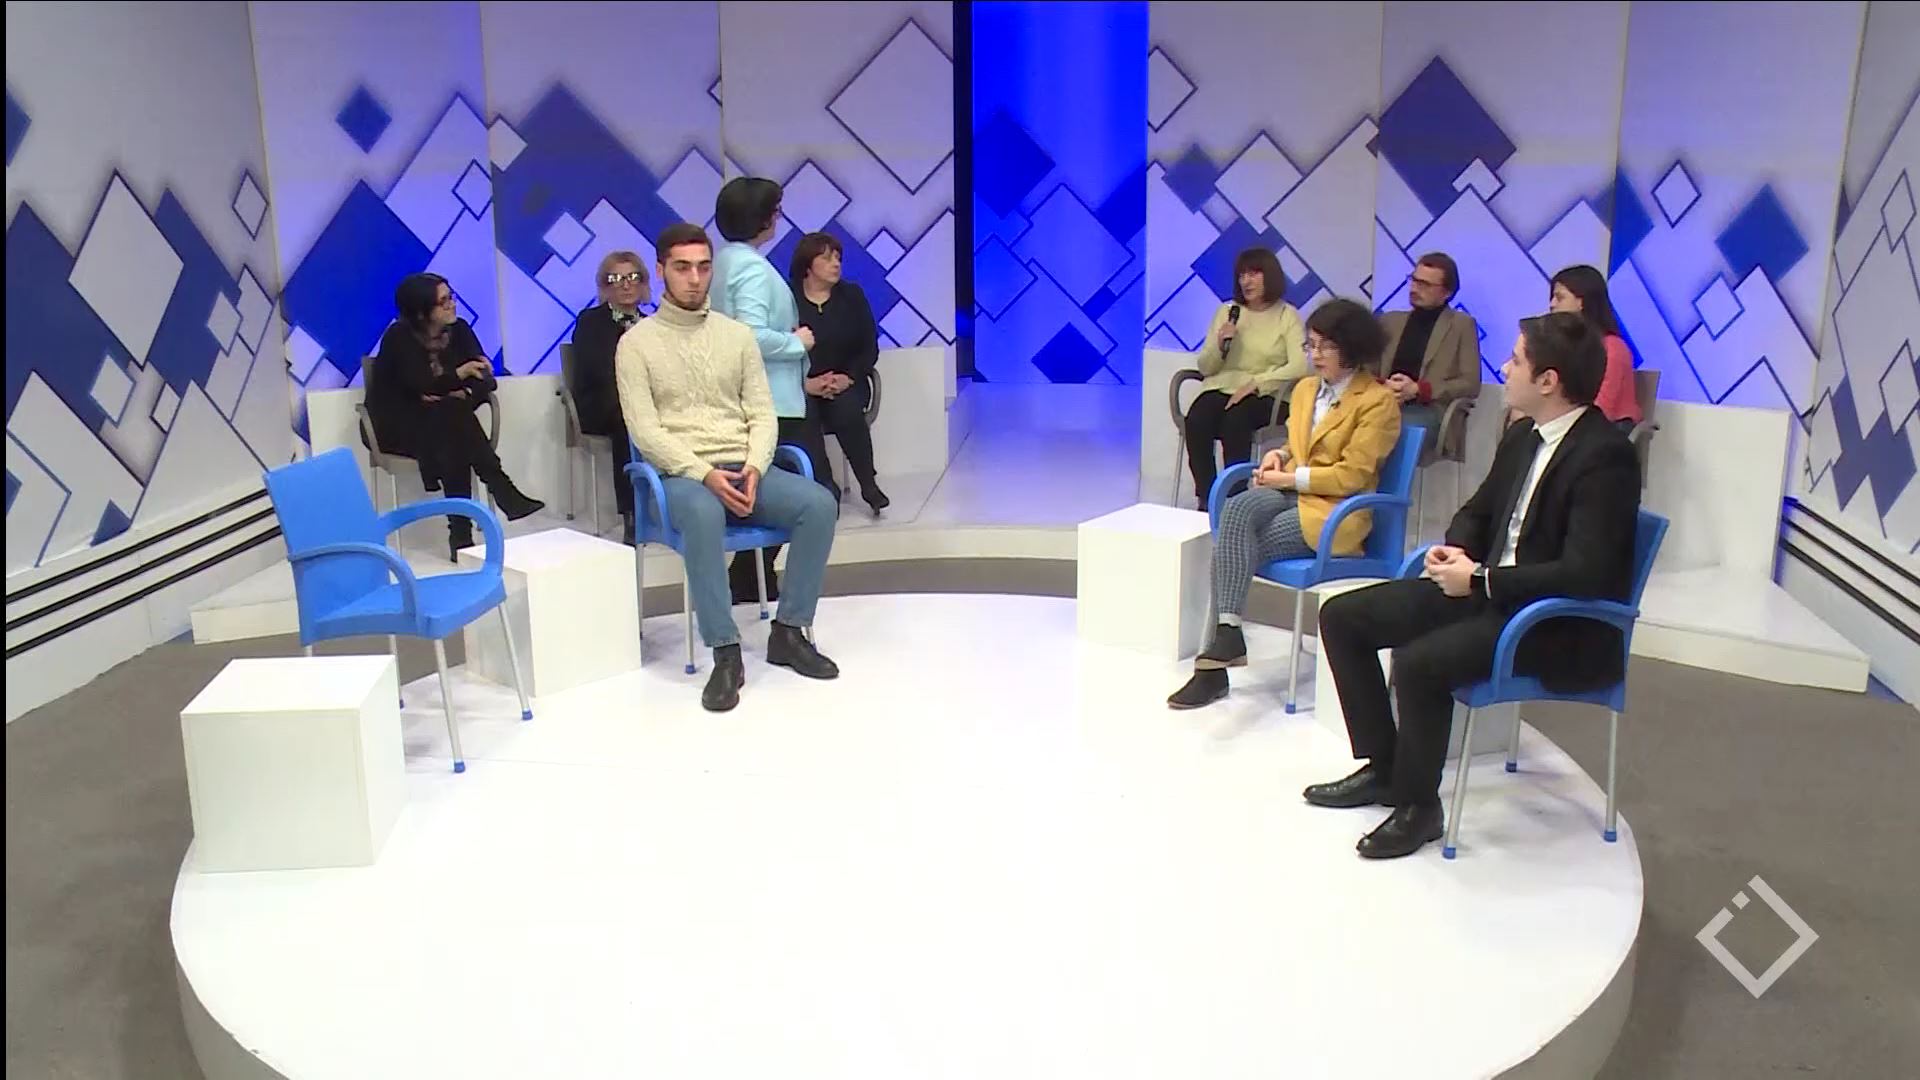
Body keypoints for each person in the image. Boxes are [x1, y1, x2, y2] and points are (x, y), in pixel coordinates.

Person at [1304, 312, 1640, 860]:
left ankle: (1420, 809)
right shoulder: (1524, 435)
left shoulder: (1606, 456)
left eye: (1516, 360)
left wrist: (1481, 580)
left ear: (1548, 381)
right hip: (1488, 593)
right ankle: (1386, 768)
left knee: (1419, 662)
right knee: (1343, 618)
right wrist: (1457, 548)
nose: (1504, 368)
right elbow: (1478, 511)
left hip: (1551, 620)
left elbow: (1586, 572)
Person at [615, 223, 841, 713]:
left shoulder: (736, 337)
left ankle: (788, 631)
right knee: (703, 512)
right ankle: (726, 651)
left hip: (745, 469)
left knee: (819, 504)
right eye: (682, 268)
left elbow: (762, 412)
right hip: (680, 477)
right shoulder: (636, 344)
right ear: (661, 271)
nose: (695, 278)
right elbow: (645, 431)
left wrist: (756, 466)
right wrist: (704, 474)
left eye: (703, 267)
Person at [1168, 298, 1401, 709]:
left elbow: (1352, 476)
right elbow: (1299, 446)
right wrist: (1279, 457)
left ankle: (1213, 669)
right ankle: (1228, 634)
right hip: (1291, 492)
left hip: (1333, 512)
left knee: (1233, 549)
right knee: (1236, 509)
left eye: (1326, 347)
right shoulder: (1307, 389)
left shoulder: (1377, 402)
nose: (1315, 355)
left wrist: (1291, 477)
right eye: (1312, 345)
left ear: (1352, 347)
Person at [710, 176, 832, 601]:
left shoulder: (724, 261)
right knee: (817, 493)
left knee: (775, 489)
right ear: (761, 217)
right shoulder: (749, 268)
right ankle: (756, 580)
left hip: (756, 397)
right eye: (775, 211)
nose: (778, 219)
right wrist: (796, 342)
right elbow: (750, 334)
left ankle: (750, 577)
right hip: (772, 400)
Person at [367, 273, 543, 559]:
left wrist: (462, 391)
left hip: (446, 424)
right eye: (443, 301)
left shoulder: (459, 330)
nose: (452, 305)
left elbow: (486, 379)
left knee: (451, 424)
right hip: (399, 426)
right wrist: (459, 374)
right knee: (452, 422)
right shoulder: (398, 337)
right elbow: (419, 383)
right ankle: (500, 490)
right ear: (421, 311)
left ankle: (461, 535)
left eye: (452, 297)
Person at [1185, 248, 1308, 504]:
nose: (1246, 282)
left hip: (1267, 394)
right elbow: (1205, 367)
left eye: (1253, 274)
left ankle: (1235, 498)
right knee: (1197, 419)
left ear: (1270, 276)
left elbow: (1299, 366)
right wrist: (1220, 345)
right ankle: (1208, 498)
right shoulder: (1227, 312)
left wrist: (1257, 383)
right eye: (1242, 275)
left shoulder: (1287, 315)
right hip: (1223, 387)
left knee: (1235, 420)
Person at [790, 231, 889, 514]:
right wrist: (806, 383)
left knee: (846, 410)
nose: (836, 264)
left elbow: (869, 347)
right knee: (803, 415)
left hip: (848, 382)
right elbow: (778, 350)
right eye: (826, 258)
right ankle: (825, 486)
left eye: (838, 258)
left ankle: (868, 485)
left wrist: (848, 378)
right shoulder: (788, 299)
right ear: (808, 265)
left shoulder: (852, 296)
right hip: (803, 386)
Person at [566, 251, 649, 539]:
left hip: (641, 403)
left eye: (632, 277)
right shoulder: (590, 321)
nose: (625, 285)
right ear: (605, 285)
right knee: (628, 422)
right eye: (616, 278)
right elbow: (600, 370)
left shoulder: (652, 324)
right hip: (601, 403)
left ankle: (670, 505)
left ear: (643, 283)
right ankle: (632, 514)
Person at [1378, 252, 1482, 458]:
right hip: (1383, 401)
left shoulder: (1462, 325)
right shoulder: (1390, 321)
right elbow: (1366, 369)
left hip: (1429, 407)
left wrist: (1418, 389)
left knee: (1391, 428)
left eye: (1425, 285)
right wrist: (1385, 386)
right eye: (1414, 280)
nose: (1414, 288)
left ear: (1447, 293)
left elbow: (1470, 384)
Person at [1548, 265, 1642, 429]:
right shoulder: (1563, 345)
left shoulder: (1613, 348)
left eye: (1559, 297)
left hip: (1607, 429)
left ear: (1582, 302)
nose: (1552, 304)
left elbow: (1603, 408)